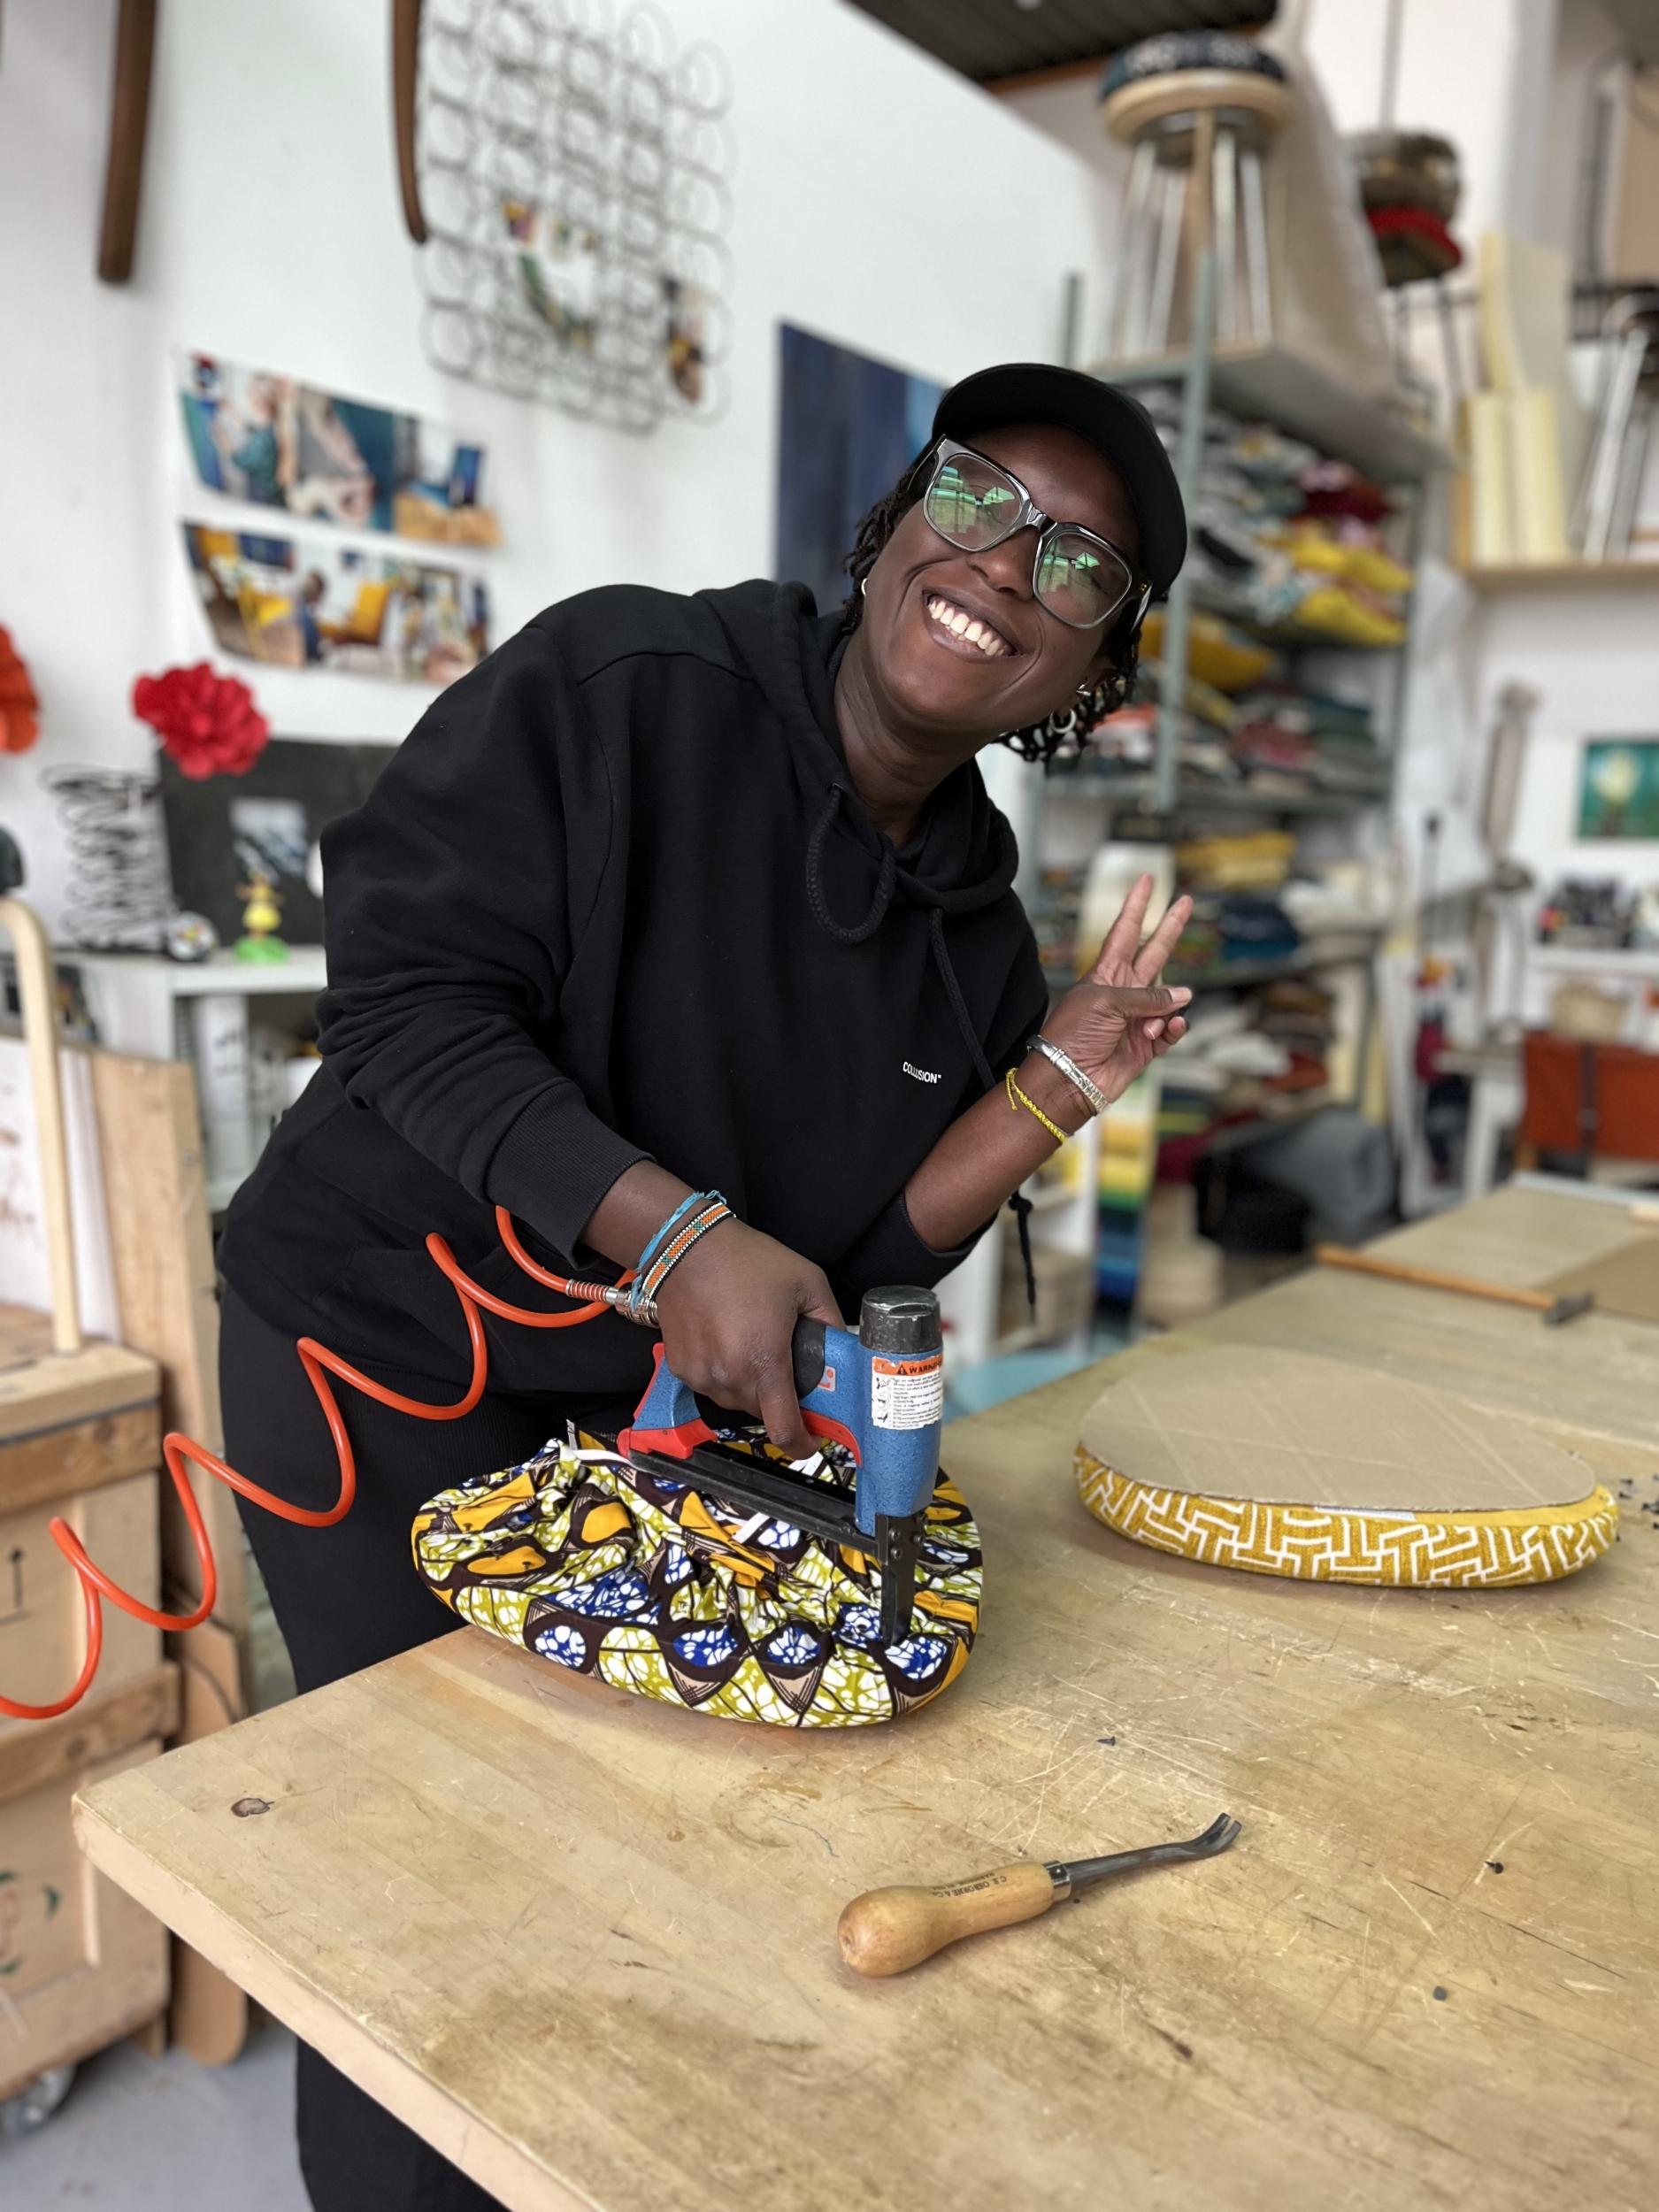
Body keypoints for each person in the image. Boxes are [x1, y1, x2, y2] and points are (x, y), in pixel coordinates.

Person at [216, 363, 1193, 2212]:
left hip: (617, 1410)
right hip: (375, 1339)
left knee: (607, 1857)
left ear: (1093, 678)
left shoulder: (974, 933)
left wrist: (1050, 1078)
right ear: (896, 516)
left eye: (1076, 564)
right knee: (427, 1862)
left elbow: (850, 1265)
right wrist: (669, 1234)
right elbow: (407, 1001)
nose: (1003, 564)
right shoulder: (627, 690)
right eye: (977, 496)